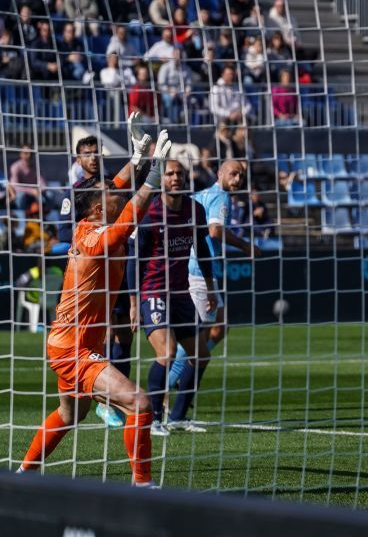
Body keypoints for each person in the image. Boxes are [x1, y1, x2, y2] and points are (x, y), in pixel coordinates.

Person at [16, 128, 167, 486]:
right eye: (111, 194)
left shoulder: (93, 221)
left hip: (69, 342)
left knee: (70, 414)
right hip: (75, 349)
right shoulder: (96, 238)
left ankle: (22, 475)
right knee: (140, 404)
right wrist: (155, 171)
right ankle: (143, 487)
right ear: (100, 207)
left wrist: (138, 157)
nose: (117, 192)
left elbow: (116, 186)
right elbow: (129, 219)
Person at [128, 159, 216, 436]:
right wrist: (134, 303)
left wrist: (211, 288)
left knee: (201, 356)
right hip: (153, 292)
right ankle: (154, 419)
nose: (175, 178)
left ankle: (177, 416)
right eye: (170, 174)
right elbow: (134, 262)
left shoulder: (195, 210)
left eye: (179, 173)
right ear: (161, 179)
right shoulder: (150, 213)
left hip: (181, 293)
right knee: (166, 353)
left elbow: (203, 250)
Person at [166, 161, 259, 390]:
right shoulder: (220, 196)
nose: (237, 179)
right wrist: (245, 245)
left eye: (241, 176)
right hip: (199, 271)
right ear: (220, 174)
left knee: (220, 326)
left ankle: (183, 374)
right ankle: (165, 388)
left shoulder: (202, 195)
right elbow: (215, 231)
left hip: (198, 268)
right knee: (196, 336)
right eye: (233, 174)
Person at [8, 145, 47, 212]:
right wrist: (31, 191)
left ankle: (45, 215)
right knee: (21, 197)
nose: (29, 155)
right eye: (26, 153)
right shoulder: (15, 167)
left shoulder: (36, 167)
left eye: (30, 153)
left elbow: (43, 184)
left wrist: (39, 190)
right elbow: (15, 186)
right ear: (20, 154)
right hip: (22, 193)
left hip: (35, 193)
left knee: (49, 196)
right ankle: (22, 216)